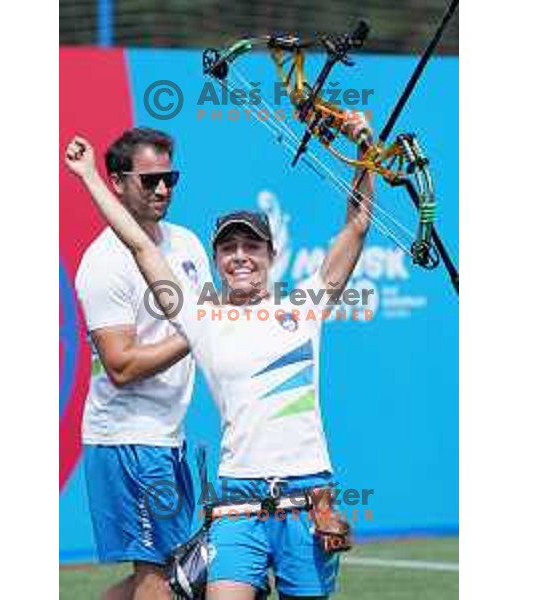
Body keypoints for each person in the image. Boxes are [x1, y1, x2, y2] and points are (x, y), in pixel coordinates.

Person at [65, 122, 374, 599]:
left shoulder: (305, 306)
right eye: (228, 248)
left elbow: (357, 224)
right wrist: (88, 176)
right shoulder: (200, 316)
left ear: (272, 254)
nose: (240, 256)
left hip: (308, 497)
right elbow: (140, 245)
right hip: (237, 504)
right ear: (216, 260)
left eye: (251, 246)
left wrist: (365, 148)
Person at [72, 128, 213, 600]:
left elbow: (212, 335)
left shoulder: (188, 244)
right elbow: (121, 366)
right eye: (149, 180)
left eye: (170, 178)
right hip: (127, 439)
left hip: (167, 436)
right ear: (116, 183)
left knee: (156, 578)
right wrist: (197, 332)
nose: (162, 189)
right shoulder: (103, 262)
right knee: (160, 581)